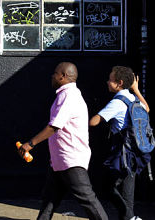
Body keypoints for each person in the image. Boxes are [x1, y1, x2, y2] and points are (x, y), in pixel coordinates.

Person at [19, 62, 108, 220]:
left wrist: (30, 144)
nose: (52, 76)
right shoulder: (65, 94)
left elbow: (55, 126)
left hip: (70, 158)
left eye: (55, 73)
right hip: (59, 160)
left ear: (63, 76)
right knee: (50, 199)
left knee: (88, 199)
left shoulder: (69, 96)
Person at [89, 66, 150, 220]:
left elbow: (94, 122)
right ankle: (130, 217)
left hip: (122, 153)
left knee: (107, 187)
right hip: (136, 152)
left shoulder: (117, 102)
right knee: (127, 193)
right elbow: (147, 108)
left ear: (119, 83)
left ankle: (131, 218)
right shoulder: (133, 99)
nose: (107, 82)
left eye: (110, 80)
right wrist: (135, 89)